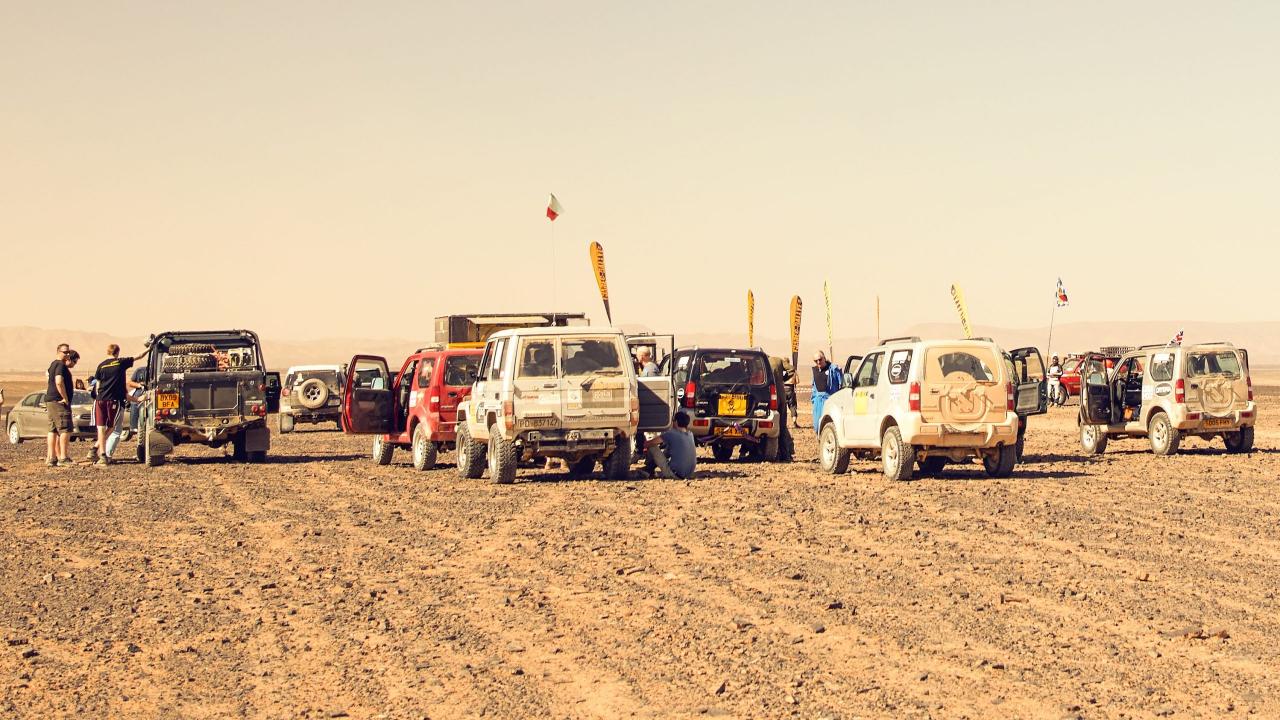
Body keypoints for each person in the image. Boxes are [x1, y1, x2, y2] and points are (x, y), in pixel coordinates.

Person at [93, 343, 151, 465]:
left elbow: (97, 385)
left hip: (99, 400)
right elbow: (139, 356)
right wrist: (150, 348)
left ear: (107, 352)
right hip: (113, 400)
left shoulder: (101, 365)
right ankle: (102, 453)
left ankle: (96, 449)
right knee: (112, 428)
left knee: (101, 428)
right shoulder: (120, 362)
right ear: (117, 352)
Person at [45, 346, 78, 466]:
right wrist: (65, 397)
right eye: (65, 352)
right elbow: (59, 381)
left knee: (52, 430)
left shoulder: (53, 364)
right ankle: (63, 458)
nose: (68, 354)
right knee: (65, 429)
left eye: (69, 352)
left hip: (50, 400)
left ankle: (51, 457)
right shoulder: (60, 365)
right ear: (58, 352)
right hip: (59, 402)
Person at [643, 411, 697, 479]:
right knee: (669, 448)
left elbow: (648, 444)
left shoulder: (672, 433)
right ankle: (650, 467)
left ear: (676, 422)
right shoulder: (690, 434)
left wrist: (642, 440)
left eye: (673, 420)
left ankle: (649, 469)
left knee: (652, 446)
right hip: (688, 475)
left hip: (674, 475)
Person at [767, 356, 795, 461]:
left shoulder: (761, 362)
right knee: (782, 426)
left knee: (773, 427)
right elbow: (792, 369)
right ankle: (785, 455)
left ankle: (777, 454)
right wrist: (782, 379)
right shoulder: (777, 360)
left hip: (769, 397)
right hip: (781, 397)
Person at [810, 350, 842, 433]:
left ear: (824, 358)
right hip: (818, 402)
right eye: (815, 361)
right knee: (818, 425)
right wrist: (813, 400)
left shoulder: (834, 369)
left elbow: (841, 384)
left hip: (830, 400)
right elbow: (814, 387)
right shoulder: (815, 371)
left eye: (820, 359)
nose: (818, 362)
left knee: (830, 424)